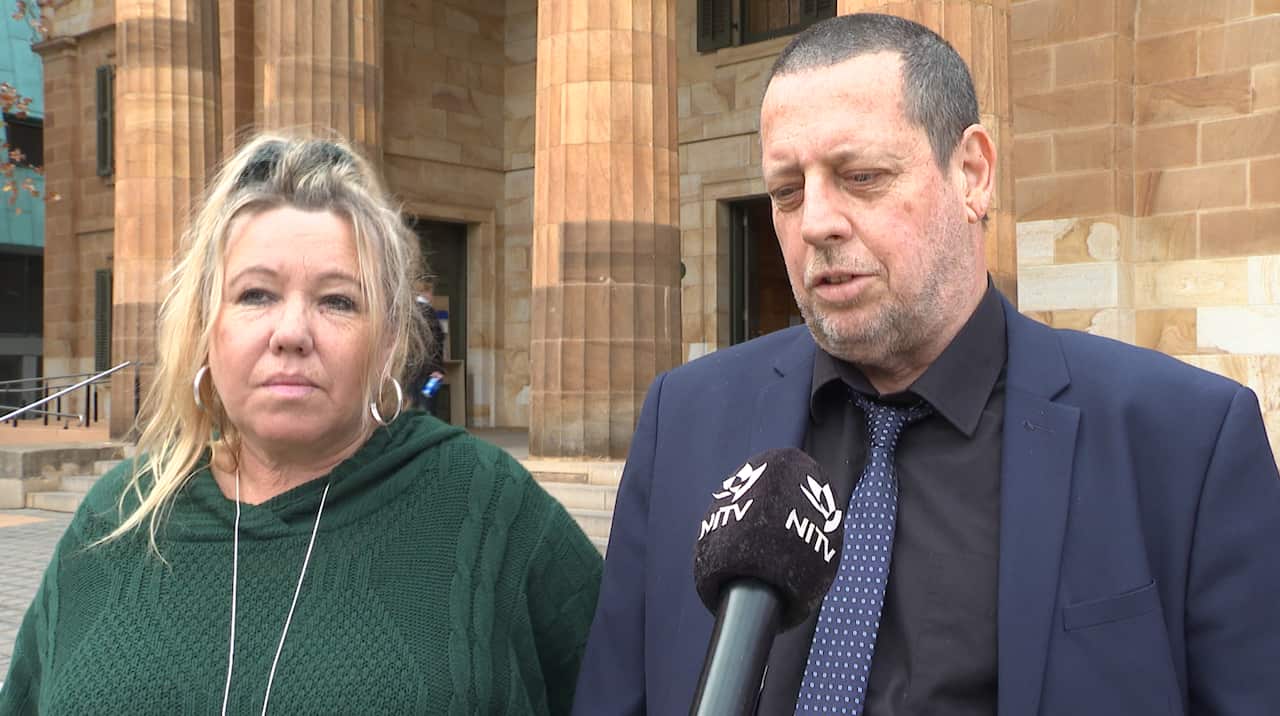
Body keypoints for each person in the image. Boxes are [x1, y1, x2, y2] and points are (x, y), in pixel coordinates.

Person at [573, 13, 1280, 716]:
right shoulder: (683, 420)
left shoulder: (1186, 443)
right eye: (787, 190)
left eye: (862, 176)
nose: (814, 221)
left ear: (972, 174)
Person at [0, 134, 602, 715]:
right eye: (256, 295)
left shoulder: (486, 505)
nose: (291, 333)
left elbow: (628, 685)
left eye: (338, 301)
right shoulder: (118, 515)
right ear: (206, 327)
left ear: (389, 341)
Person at [409, 283, 447, 414]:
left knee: (412, 407)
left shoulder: (408, 313)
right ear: (427, 292)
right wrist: (437, 368)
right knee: (427, 407)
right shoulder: (428, 312)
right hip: (428, 371)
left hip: (409, 370)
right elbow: (435, 342)